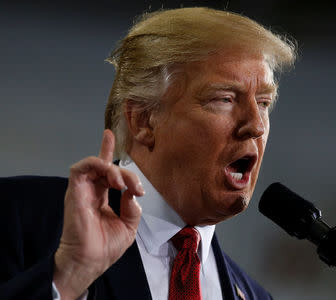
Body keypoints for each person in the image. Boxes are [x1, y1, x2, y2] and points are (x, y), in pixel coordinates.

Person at [0, 7, 295, 300]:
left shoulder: (255, 295)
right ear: (144, 120)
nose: (256, 125)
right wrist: (70, 275)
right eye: (225, 99)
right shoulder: (18, 216)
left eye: (264, 102)